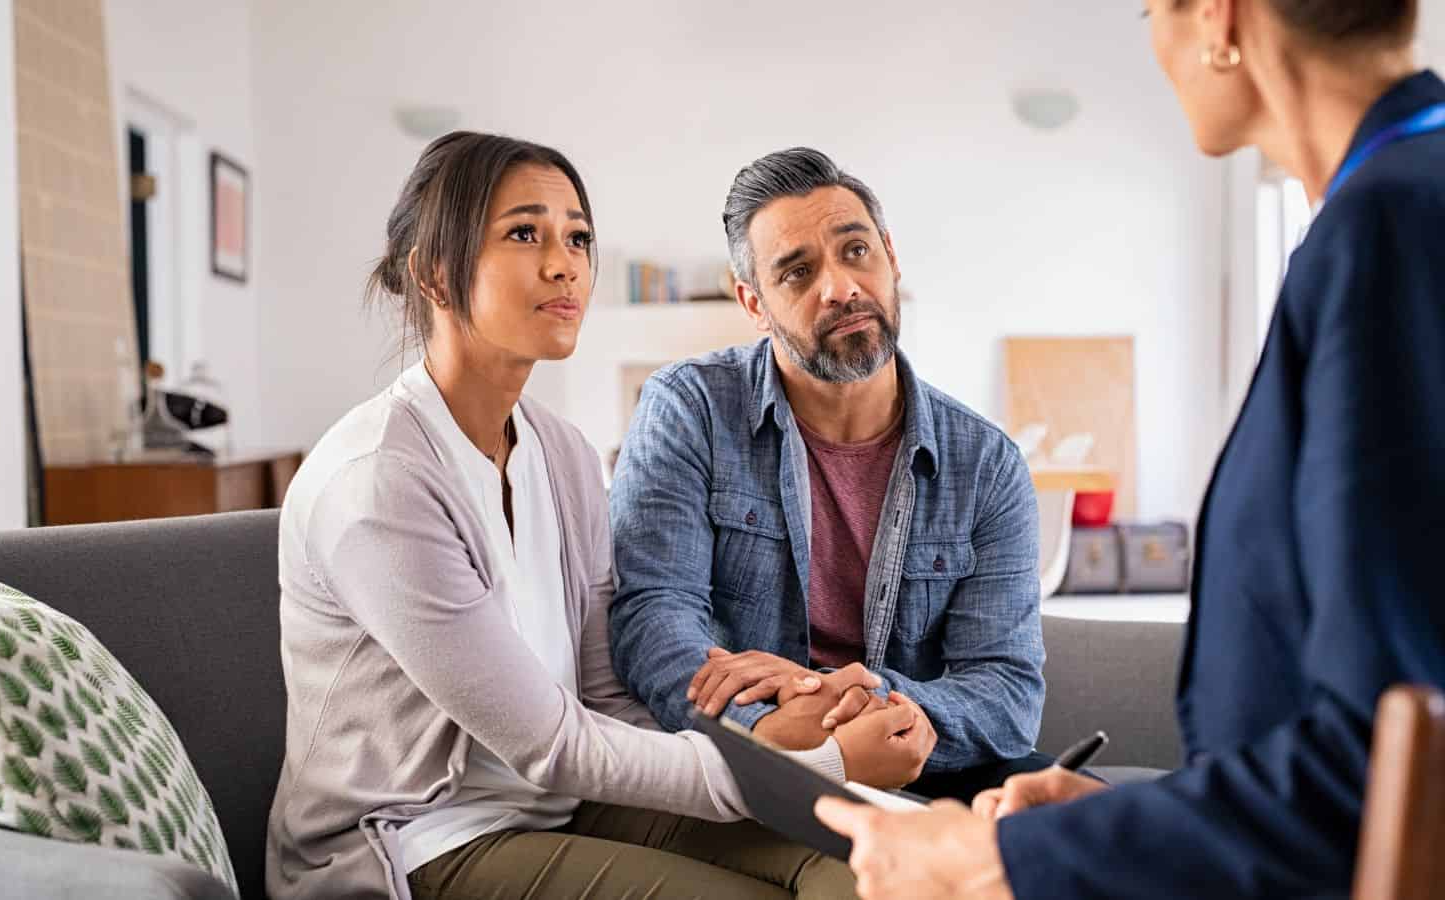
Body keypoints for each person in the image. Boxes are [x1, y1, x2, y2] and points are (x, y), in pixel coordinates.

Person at [814, 2, 1445, 897]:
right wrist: (1114, 825)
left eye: (1152, 9)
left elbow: (1388, 767)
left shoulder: (1389, 229)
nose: (1154, 43)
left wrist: (996, 860)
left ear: (1220, 16)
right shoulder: (1398, 206)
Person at [264, 131, 925, 900]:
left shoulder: (565, 453)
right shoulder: (379, 481)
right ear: (434, 273)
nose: (564, 263)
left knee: (865, 867)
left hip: (568, 806)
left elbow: (605, 697)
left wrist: (784, 737)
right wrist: (813, 768)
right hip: (422, 839)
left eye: (578, 236)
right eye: (524, 234)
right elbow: (551, 744)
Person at [609, 147, 1048, 803]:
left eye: (856, 252)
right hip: (758, 759)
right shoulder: (689, 409)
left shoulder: (986, 464)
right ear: (753, 303)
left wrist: (862, 702)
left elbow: (1006, 688)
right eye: (796, 272)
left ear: (891, 256)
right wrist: (779, 734)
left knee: (1105, 831)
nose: (841, 287)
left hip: (922, 755)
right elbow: (655, 618)